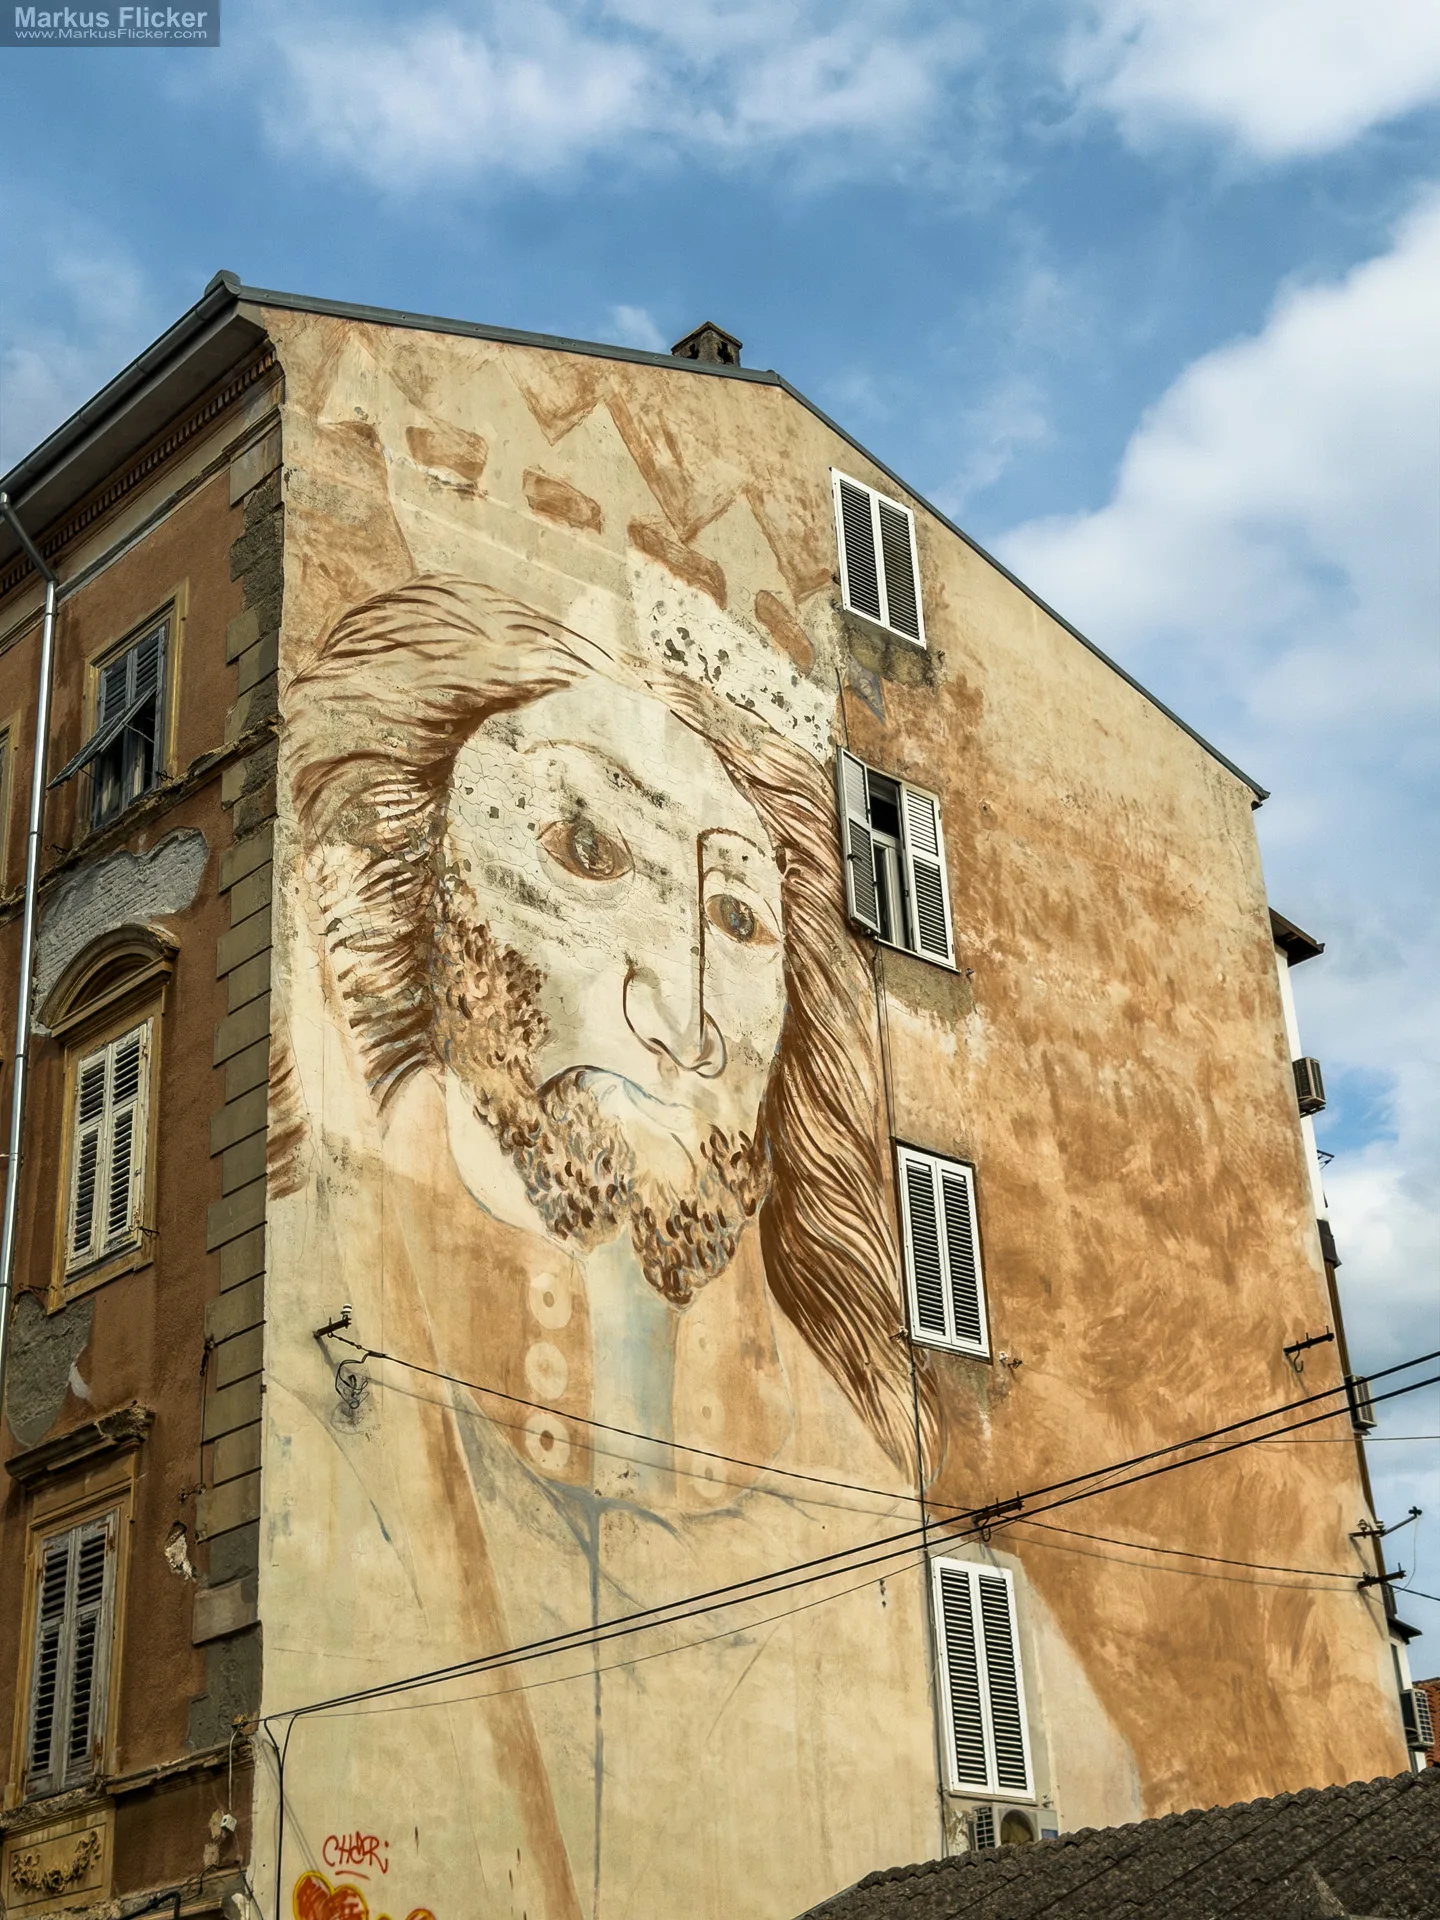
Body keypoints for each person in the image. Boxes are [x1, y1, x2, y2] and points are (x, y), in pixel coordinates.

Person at [275, 572, 942, 1918]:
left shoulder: (867, 1506)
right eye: (585, 851)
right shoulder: (304, 1388)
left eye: (739, 921)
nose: (681, 1016)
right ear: (397, 877)